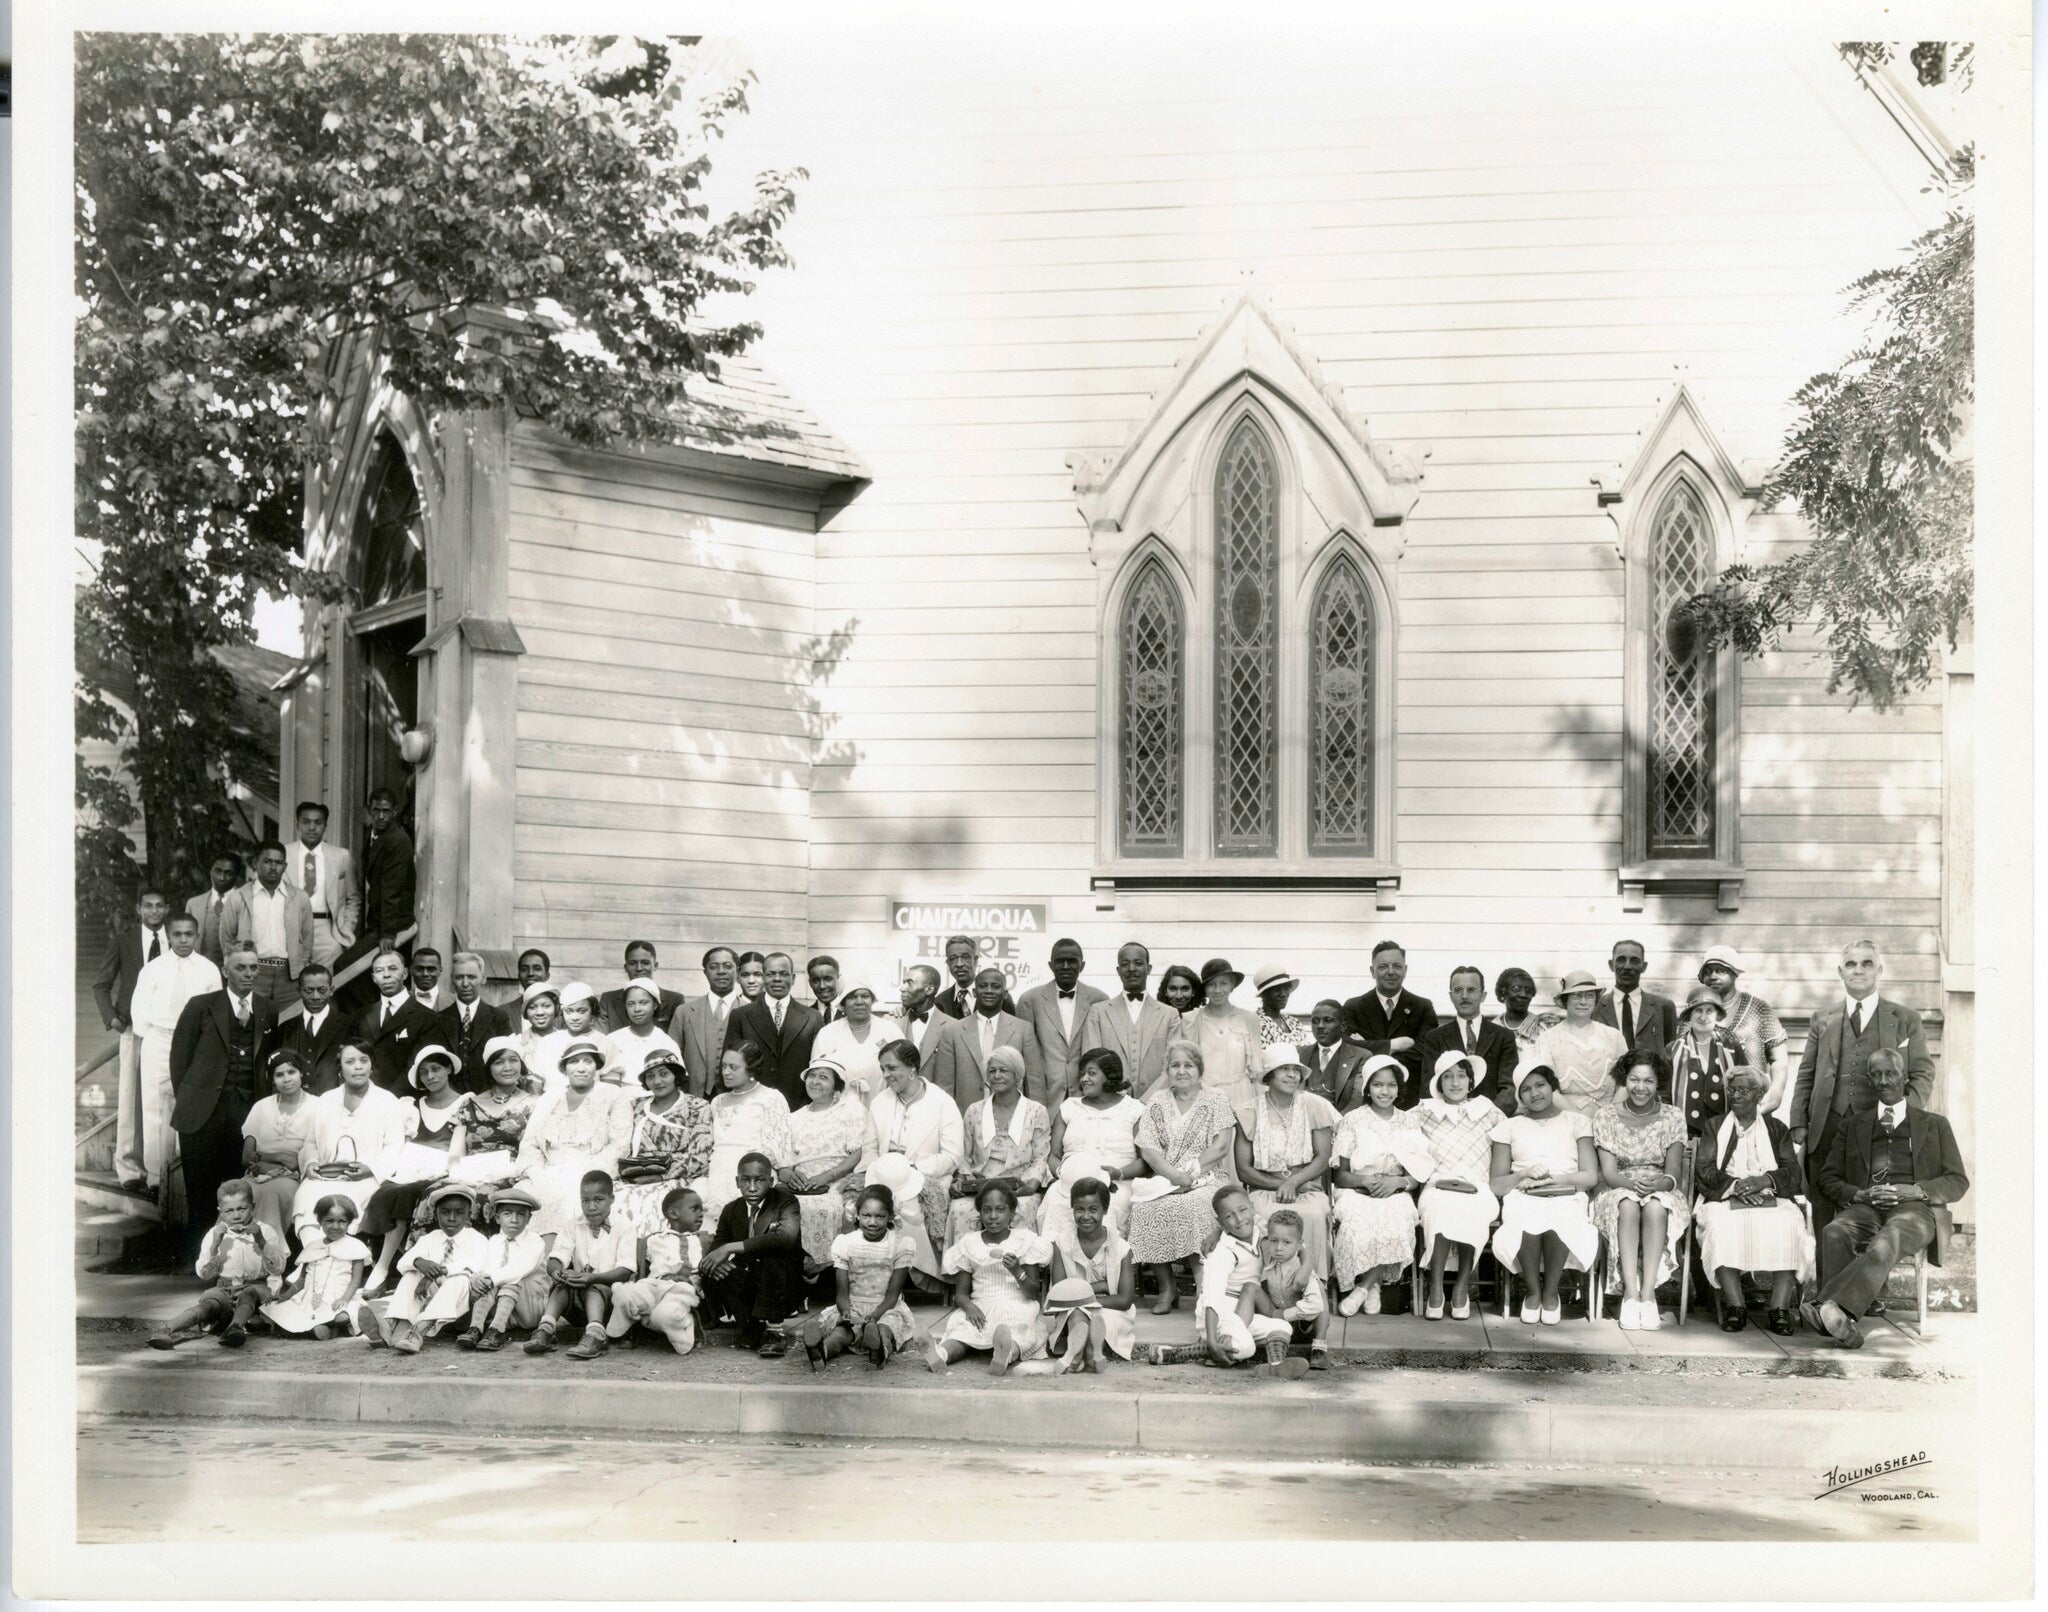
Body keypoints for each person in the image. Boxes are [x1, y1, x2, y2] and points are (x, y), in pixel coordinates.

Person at [1806, 1049, 1968, 1349]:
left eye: (1890, 1073)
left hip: (1915, 1209)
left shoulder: (1935, 1125)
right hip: (1866, 1205)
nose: (1884, 1081)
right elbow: (1827, 1178)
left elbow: (1958, 1181)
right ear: (1870, 1080)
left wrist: (1915, 1190)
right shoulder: (1853, 1125)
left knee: (1890, 1236)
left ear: (1904, 1076)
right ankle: (1837, 1318)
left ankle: (1829, 1305)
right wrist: (1859, 1194)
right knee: (1834, 1231)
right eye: (1877, 1075)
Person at [1788, 939, 1936, 1219]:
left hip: (1879, 1127)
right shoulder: (1822, 1018)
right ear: (1840, 971)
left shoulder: (1905, 1018)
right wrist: (1798, 1121)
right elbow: (1806, 1073)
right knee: (1823, 1206)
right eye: (1851, 964)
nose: (1858, 970)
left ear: (1879, 970)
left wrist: (1903, 1113)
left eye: (1867, 963)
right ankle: (1825, 1250)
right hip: (1827, 1126)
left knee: (1874, 1207)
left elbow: (1923, 1072)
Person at [168, 945, 275, 1254]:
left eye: (254, 967)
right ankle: (201, 1258)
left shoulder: (267, 1009)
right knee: (201, 1188)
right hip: (201, 1112)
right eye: (241, 967)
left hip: (245, 1112)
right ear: (226, 971)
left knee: (237, 1189)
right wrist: (192, 1099)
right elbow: (179, 1060)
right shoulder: (201, 1006)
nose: (249, 974)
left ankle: (235, 1257)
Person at [1694, 1067, 1810, 1335]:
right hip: (1725, 1197)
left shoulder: (1776, 1128)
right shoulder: (1715, 1126)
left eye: (1743, 1090)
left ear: (1760, 1094)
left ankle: (1779, 1308)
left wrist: (1765, 1180)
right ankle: (1736, 1306)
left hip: (1770, 1196)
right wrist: (1736, 1186)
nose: (1735, 1095)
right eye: (1732, 1090)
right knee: (1720, 1225)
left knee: (1790, 1222)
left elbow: (1793, 1172)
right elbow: (1704, 1170)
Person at [1127, 1039, 1240, 1315]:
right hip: (1166, 1179)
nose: (1181, 1071)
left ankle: (1204, 1288)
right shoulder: (1157, 1100)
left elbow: (1221, 1146)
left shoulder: (1216, 1098)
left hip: (1208, 1177)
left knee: (1194, 1206)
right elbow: (1148, 1148)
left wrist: (1190, 1174)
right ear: (1167, 1071)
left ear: (1199, 1069)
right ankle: (1168, 1289)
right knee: (1144, 1209)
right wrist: (1174, 1176)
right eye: (1175, 1065)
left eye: (1188, 1065)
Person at [1489, 1066, 1600, 1324]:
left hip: (1567, 1191)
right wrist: (1523, 1174)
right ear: (1519, 1096)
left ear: (1553, 1087)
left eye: (1540, 1085)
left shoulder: (1577, 1122)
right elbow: (1497, 1184)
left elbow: (1589, 1177)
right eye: (1526, 1089)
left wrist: (1553, 1180)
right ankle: (1533, 1292)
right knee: (1522, 1214)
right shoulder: (1509, 1127)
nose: (1534, 1093)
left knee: (1561, 1214)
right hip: (1523, 1193)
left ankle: (1551, 1293)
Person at [357, 1044, 471, 1294]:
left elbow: (457, 1152)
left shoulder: (465, 1102)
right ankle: (391, 1264)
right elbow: (402, 1144)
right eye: (424, 1072)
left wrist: (448, 1169)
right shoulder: (412, 1106)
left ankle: (382, 1268)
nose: (430, 1076)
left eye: (436, 1069)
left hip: (443, 1170)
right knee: (383, 1192)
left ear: (449, 1069)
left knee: (403, 1194)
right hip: (412, 1167)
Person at [1590, 1049, 1689, 1331]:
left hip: (1661, 1187)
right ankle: (1630, 1296)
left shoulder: (1672, 1116)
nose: (1640, 1088)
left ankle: (1648, 1296)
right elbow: (1610, 1174)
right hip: (1618, 1186)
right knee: (1627, 1205)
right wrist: (1633, 1186)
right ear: (1624, 1079)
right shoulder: (1606, 1116)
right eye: (1634, 1080)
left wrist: (1659, 1185)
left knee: (1657, 1206)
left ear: (1659, 1083)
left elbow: (1673, 1172)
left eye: (1648, 1081)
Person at [128, 912, 222, 1192]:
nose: (183, 940)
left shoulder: (208, 970)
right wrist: (154, 1034)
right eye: (177, 934)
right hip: (159, 1038)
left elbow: (214, 1010)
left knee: (189, 1102)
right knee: (154, 1106)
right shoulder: (153, 969)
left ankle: (183, 1171)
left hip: (194, 1042)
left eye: (188, 934)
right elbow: (139, 1009)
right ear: (168, 936)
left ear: (197, 936)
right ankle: (155, 1174)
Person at [1330, 1058, 1431, 1317]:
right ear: (1367, 1087)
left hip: (1395, 1191)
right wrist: (1364, 1181)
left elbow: (1416, 1175)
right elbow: (1340, 1176)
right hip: (1357, 1190)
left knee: (1397, 1221)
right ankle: (1372, 1285)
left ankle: (1363, 1288)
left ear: (1399, 1088)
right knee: (1357, 1222)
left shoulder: (1409, 1121)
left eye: (1391, 1085)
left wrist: (1398, 1182)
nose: (1384, 1091)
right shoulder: (1352, 1120)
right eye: (1377, 1084)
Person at [926, 1181, 1051, 1375]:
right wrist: (970, 1308)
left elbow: (1032, 1293)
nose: (993, 1216)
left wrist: (1017, 1271)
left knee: (1018, 1331)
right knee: (962, 1331)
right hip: (981, 1305)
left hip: (1016, 1305)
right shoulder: (969, 1244)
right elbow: (961, 1294)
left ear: (1011, 1212)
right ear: (979, 1213)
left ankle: (1004, 1355)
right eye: (987, 1210)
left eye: (1000, 1210)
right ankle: (940, 1354)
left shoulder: (1025, 1241)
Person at [1234, 1044, 1339, 1275]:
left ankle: (1313, 1281)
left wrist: (1295, 1183)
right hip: (1264, 1189)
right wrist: (1285, 1185)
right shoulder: (1249, 1111)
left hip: (1307, 1187)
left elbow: (1323, 1157)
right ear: (1269, 1075)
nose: (1292, 1075)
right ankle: (1270, 1283)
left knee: (1313, 1213)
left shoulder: (1316, 1106)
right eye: (1284, 1069)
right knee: (1264, 1216)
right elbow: (1243, 1169)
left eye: (1296, 1070)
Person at [146, 1179, 288, 1349]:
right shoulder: (215, 1234)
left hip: (257, 1290)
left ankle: (234, 1329)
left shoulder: (265, 1231)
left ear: (253, 1206)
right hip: (225, 1288)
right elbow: (205, 1274)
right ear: (221, 1212)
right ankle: (165, 1330)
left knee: (248, 1293)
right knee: (207, 1306)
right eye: (229, 1211)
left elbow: (278, 1268)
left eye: (242, 1208)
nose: (236, 1216)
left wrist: (261, 1241)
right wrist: (214, 1245)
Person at [866, 1038, 965, 1283]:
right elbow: (869, 1148)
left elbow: (953, 1155)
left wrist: (913, 1169)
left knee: (907, 1204)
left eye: (891, 1068)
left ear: (912, 1068)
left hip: (927, 1177)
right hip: (882, 1175)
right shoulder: (879, 1102)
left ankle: (917, 1275)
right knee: (863, 1204)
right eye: (882, 1069)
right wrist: (879, 1171)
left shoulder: (942, 1103)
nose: (885, 1075)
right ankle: (870, 1274)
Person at [288, 1038, 408, 1237]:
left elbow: (395, 1146)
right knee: (305, 1196)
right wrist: (311, 1163)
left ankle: (338, 1253)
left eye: (364, 1060)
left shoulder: (387, 1101)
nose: (358, 1067)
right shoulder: (326, 1100)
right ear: (340, 1068)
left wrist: (370, 1169)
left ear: (371, 1066)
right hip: (324, 1176)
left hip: (366, 1179)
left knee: (342, 1205)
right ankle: (315, 1252)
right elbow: (311, 1142)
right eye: (350, 1062)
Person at [516, 1041, 633, 1242]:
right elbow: (530, 1143)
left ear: (596, 1067)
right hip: (547, 1172)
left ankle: (566, 1256)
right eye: (573, 1062)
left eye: (587, 1061)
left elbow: (619, 1145)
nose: (581, 1068)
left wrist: (585, 1173)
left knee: (574, 1200)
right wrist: (538, 1175)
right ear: (564, 1068)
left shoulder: (614, 1095)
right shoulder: (549, 1098)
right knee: (521, 1195)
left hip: (590, 1171)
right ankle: (529, 1256)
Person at [95, 886, 172, 1190]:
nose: (154, 911)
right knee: (130, 1095)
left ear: (167, 909)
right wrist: (111, 1017)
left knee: (164, 1094)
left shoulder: (176, 939)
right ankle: (129, 1169)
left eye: (159, 905)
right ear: (139, 909)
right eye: (148, 906)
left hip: (167, 1028)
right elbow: (101, 984)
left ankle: (162, 1168)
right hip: (132, 1026)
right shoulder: (124, 941)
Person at [1415, 1052, 1502, 1320]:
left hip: (1478, 1186)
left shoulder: (1488, 1110)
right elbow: (1395, 1127)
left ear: (1470, 1081)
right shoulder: (1424, 1111)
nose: (1455, 1083)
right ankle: (1436, 1286)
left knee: (1472, 1211)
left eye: (1461, 1076)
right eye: (1448, 1077)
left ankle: (1462, 1286)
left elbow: (1511, 1138)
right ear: (1439, 1083)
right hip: (1437, 1185)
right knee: (1440, 1209)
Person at [361, 1183, 490, 1353]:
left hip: (462, 1309)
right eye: (445, 1212)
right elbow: (402, 1263)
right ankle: (390, 1325)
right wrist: (418, 1262)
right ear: (436, 1214)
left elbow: (475, 1264)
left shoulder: (478, 1239)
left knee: (460, 1278)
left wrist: (437, 1272)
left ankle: (418, 1332)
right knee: (411, 1274)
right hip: (431, 1302)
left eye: (459, 1212)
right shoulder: (430, 1238)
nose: (452, 1218)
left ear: (468, 1214)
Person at [701, 1152, 806, 1356]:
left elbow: (784, 1238)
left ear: (771, 1181)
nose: (752, 1187)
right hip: (752, 1281)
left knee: (771, 1258)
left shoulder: (786, 1201)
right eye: (745, 1180)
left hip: (783, 1282)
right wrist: (715, 1261)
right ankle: (752, 1324)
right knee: (714, 1266)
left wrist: (730, 1248)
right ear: (737, 1182)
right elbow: (718, 1246)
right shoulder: (731, 1209)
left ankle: (775, 1333)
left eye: (759, 1180)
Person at [801, 1183, 916, 1370]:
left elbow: (892, 1296)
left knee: (883, 1331)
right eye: (866, 1215)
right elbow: (842, 1292)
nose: (872, 1222)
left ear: (890, 1216)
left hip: (885, 1308)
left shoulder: (899, 1245)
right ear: (857, 1215)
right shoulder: (846, 1243)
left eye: (880, 1216)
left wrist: (874, 1317)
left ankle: (879, 1352)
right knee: (840, 1334)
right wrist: (846, 1312)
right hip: (853, 1305)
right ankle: (820, 1352)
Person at [524, 1171, 637, 1360]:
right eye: (585, 1201)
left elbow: (625, 1271)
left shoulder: (624, 1227)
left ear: (611, 1199)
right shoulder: (573, 1225)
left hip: (610, 1304)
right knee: (562, 1285)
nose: (591, 1207)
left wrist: (593, 1278)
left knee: (594, 1288)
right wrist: (556, 1271)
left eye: (598, 1200)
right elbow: (557, 1256)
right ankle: (546, 1329)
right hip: (577, 1305)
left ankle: (596, 1335)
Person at [1042, 1047, 1148, 1245]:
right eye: (1082, 1074)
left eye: (1091, 1073)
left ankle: (1107, 1260)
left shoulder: (1135, 1109)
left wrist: (1118, 1173)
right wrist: (1065, 1173)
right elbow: (1053, 1155)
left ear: (1110, 1076)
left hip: (1117, 1183)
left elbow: (1146, 1161)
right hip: (1069, 1184)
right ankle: (1060, 1260)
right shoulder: (1069, 1107)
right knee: (1056, 1202)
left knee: (1108, 1205)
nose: (1084, 1079)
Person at [784, 1054, 878, 1273]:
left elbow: (858, 1153)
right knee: (781, 1207)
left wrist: (827, 1176)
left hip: (838, 1180)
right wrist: (790, 1175)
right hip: (801, 1182)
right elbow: (784, 1160)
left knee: (822, 1208)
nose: (815, 1082)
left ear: (837, 1085)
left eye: (823, 1077)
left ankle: (816, 1270)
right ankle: (791, 1270)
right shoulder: (794, 1118)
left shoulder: (851, 1110)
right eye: (812, 1076)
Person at [950, 1045, 1051, 1246]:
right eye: (992, 1071)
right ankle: (968, 1263)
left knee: (1021, 1209)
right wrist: (959, 1181)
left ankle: (1017, 1264)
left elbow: (1040, 1158)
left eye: (1003, 1070)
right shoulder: (974, 1111)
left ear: (1017, 1075)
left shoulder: (1036, 1111)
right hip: (979, 1186)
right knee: (959, 1209)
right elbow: (965, 1156)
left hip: (1019, 1187)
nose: (997, 1076)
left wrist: (1030, 1185)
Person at [612, 1051, 714, 1236]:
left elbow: (700, 1157)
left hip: (678, 1177)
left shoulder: (697, 1106)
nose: (657, 1081)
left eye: (664, 1074)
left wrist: (660, 1176)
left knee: (655, 1206)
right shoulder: (636, 1106)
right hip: (636, 1176)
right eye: (650, 1076)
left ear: (676, 1075)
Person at [1044, 1176, 1136, 1372]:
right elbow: (1060, 1295)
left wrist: (1082, 1298)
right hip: (1073, 1309)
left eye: (1093, 1209)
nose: (1086, 1216)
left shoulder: (1120, 1247)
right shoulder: (1061, 1243)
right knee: (1077, 1314)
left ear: (1105, 1210)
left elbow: (1124, 1300)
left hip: (1110, 1309)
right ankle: (1086, 1354)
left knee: (1096, 1319)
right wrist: (1099, 1287)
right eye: (1079, 1209)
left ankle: (1082, 1353)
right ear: (1072, 1210)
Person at [1196, 1186, 1293, 1370]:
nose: (1240, 1219)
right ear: (1221, 1222)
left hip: (1244, 1312)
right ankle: (1208, 1347)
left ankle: (1275, 1366)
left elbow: (1287, 1235)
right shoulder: (1223, 1252)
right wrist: (1211, 1337)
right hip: (1221, 1313)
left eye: (1243, 1210)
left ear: (1252, 1208)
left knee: (1283, 1327)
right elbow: (1212, 1299)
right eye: (1229, 1216)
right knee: (1246, 1348)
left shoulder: (1259, 1231)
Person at [702, 1041, 796, 1228]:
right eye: (724, 1066)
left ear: (751, 1069)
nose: (726, 1072)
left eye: (733, 1067)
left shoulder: (771, 1097)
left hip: (752, 1168)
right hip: (717, 1169)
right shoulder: (717, 1101)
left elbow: (778, 1147)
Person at [926, 966, 1047, 1108]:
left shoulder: (1023, 1029)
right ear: (975, 992)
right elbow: (944, 1085)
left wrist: (1037, 1115)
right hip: (965, 1114)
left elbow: (1034, 1082)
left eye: (995, 986)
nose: (989, 990)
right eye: (983, 986)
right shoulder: (952, 1031)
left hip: (1012, 1114)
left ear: (1005, 993)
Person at [605, 1186, 706, 1355]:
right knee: (625, 1293)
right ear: (673, 1213)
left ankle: (685, 1329)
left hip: (681, 1289)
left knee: (665, 1315)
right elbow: (640, 1266)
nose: (701, 1214)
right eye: (695, 1209)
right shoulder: (653, 1239)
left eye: (702, 1210)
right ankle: (624, 1328)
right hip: (654, 1285)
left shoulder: (703, 1240)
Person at [1076, 943, 1185, 1098]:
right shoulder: (1098, 1012)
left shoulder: (1170, 1015)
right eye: (1125, 964)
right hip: (1110, 1103)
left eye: (1138, 963)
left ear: (1149, 968)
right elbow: (1092, 1063)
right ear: (1118, 970)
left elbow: (1174, 1064)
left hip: (1157, 1102)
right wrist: (1116, 1099)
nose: (1131, 968)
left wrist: (1149, 1101)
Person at [1340, 941, 1438, 1108]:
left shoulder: (1423, 1007)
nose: (1391, 972)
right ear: (1372, 971)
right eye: (1383, 966)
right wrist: (1391, 1045)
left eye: (1397, 966)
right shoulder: (1353, 1007)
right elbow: (1346, 1046)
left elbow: (1426, 1049)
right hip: (1364, 1099)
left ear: (1405, 970)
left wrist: (1369, 1047)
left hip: (1409, 1099)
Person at [223, 840, 315, 1012]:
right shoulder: (239, 897)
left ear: (285, 866)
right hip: (252, 972)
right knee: (251, 1021)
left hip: (289, 975)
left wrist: (299, 968)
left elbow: (307, 939)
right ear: (256, 863)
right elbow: (227, 939)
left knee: (289, 1021)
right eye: (267, 861)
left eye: (278, 863)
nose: (273, 867)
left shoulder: (300, 897)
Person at [722, 952, 823, 1110]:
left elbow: (818, 1066)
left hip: (799, 1108)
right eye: (770, 974)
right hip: (751, 1107)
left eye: (784, 974)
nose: (777, 979)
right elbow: (729, 1063)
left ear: (793, 978)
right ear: (763, 978)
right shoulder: (740, 1016)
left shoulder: (813, 1017)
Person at [261, 1194, 369, 1339]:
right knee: (274, 1310)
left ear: (349, 1223)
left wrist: (344, 1299)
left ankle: (326, 1327)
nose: (335, 1226)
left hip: (339, 1298)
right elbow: (301, 1280)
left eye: (342, 1221)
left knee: (344, 1315)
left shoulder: (355, 1246)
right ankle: (323, 1329)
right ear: (320, 1221)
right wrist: (286, 1295)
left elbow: (356, 1280)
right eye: (329, 1221)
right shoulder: (312, 1247)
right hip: (310, 1300)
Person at [1694, 945, 1789, 1110]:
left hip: (1752, 1105)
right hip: (1706, 1109)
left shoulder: (1758, 1009)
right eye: (1708, 971)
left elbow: (1779, 1060)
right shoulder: (1695, 1013)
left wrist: (1775, 1097)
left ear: (1734, 973)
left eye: (1721, 971)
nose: (1713, 976)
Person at [1015, 939, 1108, 1108]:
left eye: (1072, 961)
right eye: (1059, 961)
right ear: (1051, 965)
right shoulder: (1029, 1000)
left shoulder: (1099, 999)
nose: (1065, 966)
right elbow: (1024, 1055)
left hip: (1086, 1096)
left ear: (1082, 965)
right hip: (1044, 1097)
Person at [457, 1185, 552, 1350]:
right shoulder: (494, 1241)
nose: (514, 1219)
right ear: (497, 1217)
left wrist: (491, 1278)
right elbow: (486, 1268)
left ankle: (497, 1331)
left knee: (510, 1278)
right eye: (507, 1213)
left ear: (529, 1218)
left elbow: (520, 1269)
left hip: (529, 1308)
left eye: (521, 1214)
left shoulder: (535, 1241)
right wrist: (479, 1278)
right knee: (486, 1279)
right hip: (501, 1307)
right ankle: (476, 1328)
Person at [445, 1038, 542, 1195]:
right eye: (499, 1062)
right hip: (468, 1174)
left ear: (521, 1065)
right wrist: (457, 1176)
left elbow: (534, 1153)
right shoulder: (469, 1104)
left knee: (481, 1198)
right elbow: (455, 1154)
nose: (507, 1067)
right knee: (436, 1195)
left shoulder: (534, 1104)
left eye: (513, 1060)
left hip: (511, 1176)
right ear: (488, 1068)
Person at [240, 1049, 319, 1239]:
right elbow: (246, 1156)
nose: (286, 1079)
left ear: (301, 1073)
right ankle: (232, 1250)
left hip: (296, 1176)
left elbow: (316, 1153)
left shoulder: (317, 1106)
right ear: (272, 1079)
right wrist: (279, 1157)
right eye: (279, 1075)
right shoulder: (261, 1107)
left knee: (272, 1192)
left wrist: (281, 1166)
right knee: (240, 1195)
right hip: (258, 1173)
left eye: (291, 1072)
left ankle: (269, 1248)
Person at [1240, 1208, 1331, 1374]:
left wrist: (1284, 1315)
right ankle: (1236, 1337)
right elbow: (1247, 1221)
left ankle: (1319, 1348)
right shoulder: (1266, 1249)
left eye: (1286, 1243)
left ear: (1299, 1244)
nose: (1279, 1248)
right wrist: (1217, 1232)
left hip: (1301, 1326)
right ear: (1268, 1238)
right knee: (1250, 1288)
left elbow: (1315, 1307)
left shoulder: (1301, 1269)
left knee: (1318, 1289)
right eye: (1274, 1241)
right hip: (1275, 1319)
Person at [1419, 967, 1519, 1113]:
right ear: (1451, 996)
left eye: (1471, 990)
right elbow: (1429, 1089)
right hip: (1448, 1120)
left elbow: (1509, 1088)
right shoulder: (1435, 1037)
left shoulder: (1503, 1036)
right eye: (1458, 990)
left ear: (1483, 996)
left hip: (1492, 1119)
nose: (1464, 996)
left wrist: (1487, 1118)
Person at [1528, 971, 1628, 1117]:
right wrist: (1579, 1121)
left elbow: (1625, 1082)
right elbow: (1548, 1089)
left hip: (1612, 1116)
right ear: (1565, 1000)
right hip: (1566, 1117)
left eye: (1590, 995)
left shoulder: (1614, 1036)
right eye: (1576, 995)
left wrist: (1610, 1116)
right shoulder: (1547, 1039)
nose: (1583, 1001)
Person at [1171, 958, 1262, 1113]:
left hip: (1241, 1099)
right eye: (1211, 984)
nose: (1217, 990)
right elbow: (1185, 1065)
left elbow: (1257, 1069)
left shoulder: (1249, 1019)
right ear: (1205, 988)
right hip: (1203, 1097)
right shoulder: (1191, 1020)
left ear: (1232, 985)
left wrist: (1263, 1109)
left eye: (1223, 983)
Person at [1667, 983, 1748, 1139]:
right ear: (1689, 1015)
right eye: (1698, 1010)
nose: (1703, 1017)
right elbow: (1664, 1095)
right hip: (1684, 1131)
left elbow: (1745, 1088)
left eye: (1709, 1011)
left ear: (1717, 1015)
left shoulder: (1731, 1048)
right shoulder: (1673, 1050)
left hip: (1724, 1129)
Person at [282, 801, 357, 969]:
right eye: (306, 822)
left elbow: (353, 898)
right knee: (293, 979)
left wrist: (346, 928)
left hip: (327, 929)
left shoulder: (341, 856)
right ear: (297, 824)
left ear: (325, 826)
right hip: (292, 928)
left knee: (326, 980)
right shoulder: (284, 854)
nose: (312, 827)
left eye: (318, 822)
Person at [809, 973, 906, 1100]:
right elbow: (817, 1079)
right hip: (839, 1106)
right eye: (852, 997)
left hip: (884, 1105)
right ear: (843, 1003)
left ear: (872, 1001)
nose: (859, 1002)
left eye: (865, 996)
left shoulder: (891, 1030)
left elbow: (904, 1074)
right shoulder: (827, 1034)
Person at [356, 948, 440, 1093]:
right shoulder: (362, 1015)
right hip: (364, 1096)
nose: (386, 975)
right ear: (374, 978)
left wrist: (389, 1099)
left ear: (405, 973)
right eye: (379, 971)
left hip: (403, 1098)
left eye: (393, 968)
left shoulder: (427, 1017)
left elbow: (416, 1064)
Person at [668, 945, 744, 1098]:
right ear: (705, 972)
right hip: (694, 1096)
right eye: (714, 967)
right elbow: (671, 1058)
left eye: (728, 966)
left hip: (738, 1097)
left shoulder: (750, 1011)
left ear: (737, 971)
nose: (721, 971)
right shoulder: (684, 1012)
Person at [434, 952, 513, 1093]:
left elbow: (507, 1059)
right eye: (459, 977)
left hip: (489, 1096)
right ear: (452, 979)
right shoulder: (439, 1019)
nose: (465, 983)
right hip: (451, 1098)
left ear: (483, 978)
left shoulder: (499, 1018)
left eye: (471, 977)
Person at [358, 786, 416, 952]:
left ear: (395, 811)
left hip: (394, 926)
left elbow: (392, 890)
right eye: (376, 810)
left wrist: (388, 934)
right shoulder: (372, 833)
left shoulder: (397, 840)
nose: (381, 816)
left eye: (386, 811)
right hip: (376, 922)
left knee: (343, 964)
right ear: (369, 810)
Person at [1596, 939, 1679, 1054]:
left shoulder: (1664, 1007)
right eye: (1621, 960)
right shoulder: (1595, 1006)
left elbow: (1671, 1054)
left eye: (1634, 961)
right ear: (1611, 965)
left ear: (1644, 966)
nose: (1627, 966)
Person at [600, 941, 688, 1035]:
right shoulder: (608, 1000)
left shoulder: (674, 1000)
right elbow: (600, 1038)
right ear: (625, 967)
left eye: (645, 963)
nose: (639, 968)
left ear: (655, 965)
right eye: (632, 963)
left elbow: (677, 1039)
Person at [607, 979, 686, 1084]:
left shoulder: (667, 1043)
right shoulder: (613, 1040)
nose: (637, 1009)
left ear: (655, 1005)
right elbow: (609, 1085)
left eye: (643, 1003)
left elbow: (677, 1083)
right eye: (631, 1004)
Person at [1299, 1000, 1368, 1110]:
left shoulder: (1361, 1057)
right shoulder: (1299, 1054)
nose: (1320, 1026)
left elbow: (1356, 1101)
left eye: (1328, 1020)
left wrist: (1337, 1121)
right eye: (1315, 1021)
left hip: (1341, 1118)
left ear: (1343, 1026)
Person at [557, 981, 625, 1082]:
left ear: (592, 1011)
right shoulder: (549, 1042)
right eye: (569, 1011)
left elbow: (611, 1086)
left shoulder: (605, 1043)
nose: (575, 1017)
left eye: (581, 1011)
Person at [934, 935, 1015, 1019]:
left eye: (965, 957)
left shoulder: (1000, 997)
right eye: (953, 958)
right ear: (948, 963)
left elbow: (1012, 1025)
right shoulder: (940, 1002)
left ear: (975, 960)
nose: (959, 964)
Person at [187, 853, 245, 966]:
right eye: (218, 871)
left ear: (237, 875)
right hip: (200, 969)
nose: (221, 877)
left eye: (228, 873)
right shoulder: (193, 904)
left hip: (234, 969)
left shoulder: (245, 903)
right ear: (210, 871)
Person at [515, 981, 571, 1096]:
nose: (540, 1012)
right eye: (532, 1007)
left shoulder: (568, 1040)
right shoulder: (518, 1043)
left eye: (546, 1006)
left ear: (556, 1008)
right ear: (525, 1012)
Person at [1492, 966, 1563, 1051]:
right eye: (1516, 989)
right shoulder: (1491, 1029)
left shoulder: (1544, 1026)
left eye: (1528, 990)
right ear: (1503, 991)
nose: (1523, 994)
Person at [891, 964, 947, 1061]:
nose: (902, 988)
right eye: (904, 982)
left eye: (910, 983)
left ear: (929, 990)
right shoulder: (892, 1020)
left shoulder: (951, 1026)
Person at [1250, 964, 1307, 1048]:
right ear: (1263, 994)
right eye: (1276, 989)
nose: (1283, 994)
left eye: (1286, 988)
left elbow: (1307, 1051)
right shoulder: (1256, 1024)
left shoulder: (1294, 1022)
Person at [408, 947, 448, 1014]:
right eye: (420, 969)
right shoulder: (401, 1000)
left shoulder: (454, 1001)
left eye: (431, 969)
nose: (425, 974)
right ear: (411, 970)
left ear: (440, 971)